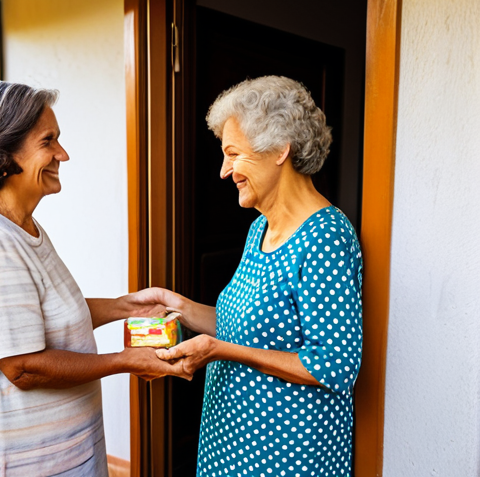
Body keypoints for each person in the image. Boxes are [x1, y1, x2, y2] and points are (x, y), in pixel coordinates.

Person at [0, 81, 189, 477]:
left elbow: (46, 315)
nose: (62, 154)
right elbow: (24, 366)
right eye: (48, 142)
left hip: (57, 449)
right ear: (2, 154)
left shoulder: (20, 224)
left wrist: (128, 306)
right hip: (14, 457)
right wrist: (126, 360)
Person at [139, 76, 363, 477]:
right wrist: (180, 307)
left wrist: (218, 351)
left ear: (279, 149)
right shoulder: (259, 227)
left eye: (232, 154)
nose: (225, 172)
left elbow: (334, 365)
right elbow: (241, 328)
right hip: (230, 441)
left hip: (285, 455)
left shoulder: (326, 236)